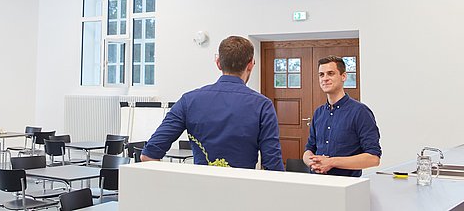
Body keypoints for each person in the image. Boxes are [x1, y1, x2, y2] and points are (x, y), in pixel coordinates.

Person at [141, 35, 284, 171]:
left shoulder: (189, 100)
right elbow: (273, 167)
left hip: (199, 192)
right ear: (251, 65)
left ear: (218, 63)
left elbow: (148, 156)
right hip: (242, 192)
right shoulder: (262, 106)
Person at [303, 56, 381, 177]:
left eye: (330, 73)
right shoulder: (318, 113)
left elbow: (373, 158)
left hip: (347, 187)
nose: (325, 79)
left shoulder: (360, 112)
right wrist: (312, 162)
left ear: (343, 76)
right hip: (316, 183)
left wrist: (331, 162)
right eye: (321, 75)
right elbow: (309, 150)